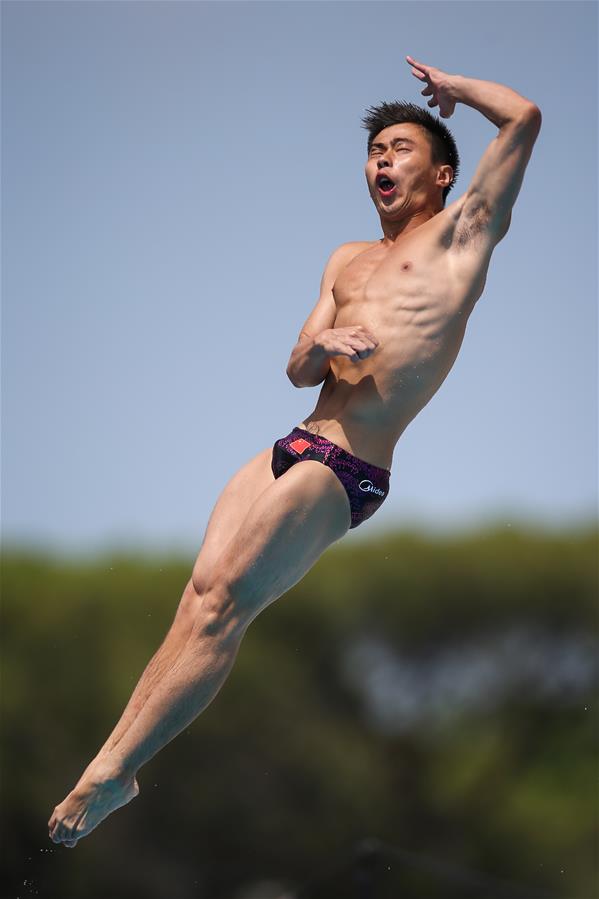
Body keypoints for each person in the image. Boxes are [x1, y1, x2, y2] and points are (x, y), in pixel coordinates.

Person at [48, 56, 541, 847]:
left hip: (347, 465)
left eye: (401, 149)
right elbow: (294, 364)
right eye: (374, 151)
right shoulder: (345, 257)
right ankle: (112, 761)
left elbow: (521, 117)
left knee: (226, 606)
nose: (381, 161)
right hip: (295, 440)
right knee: (198, 597)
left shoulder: (463, 237)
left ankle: (116, 771)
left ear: (444, 173)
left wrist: (453, 89)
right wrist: (324, 344)